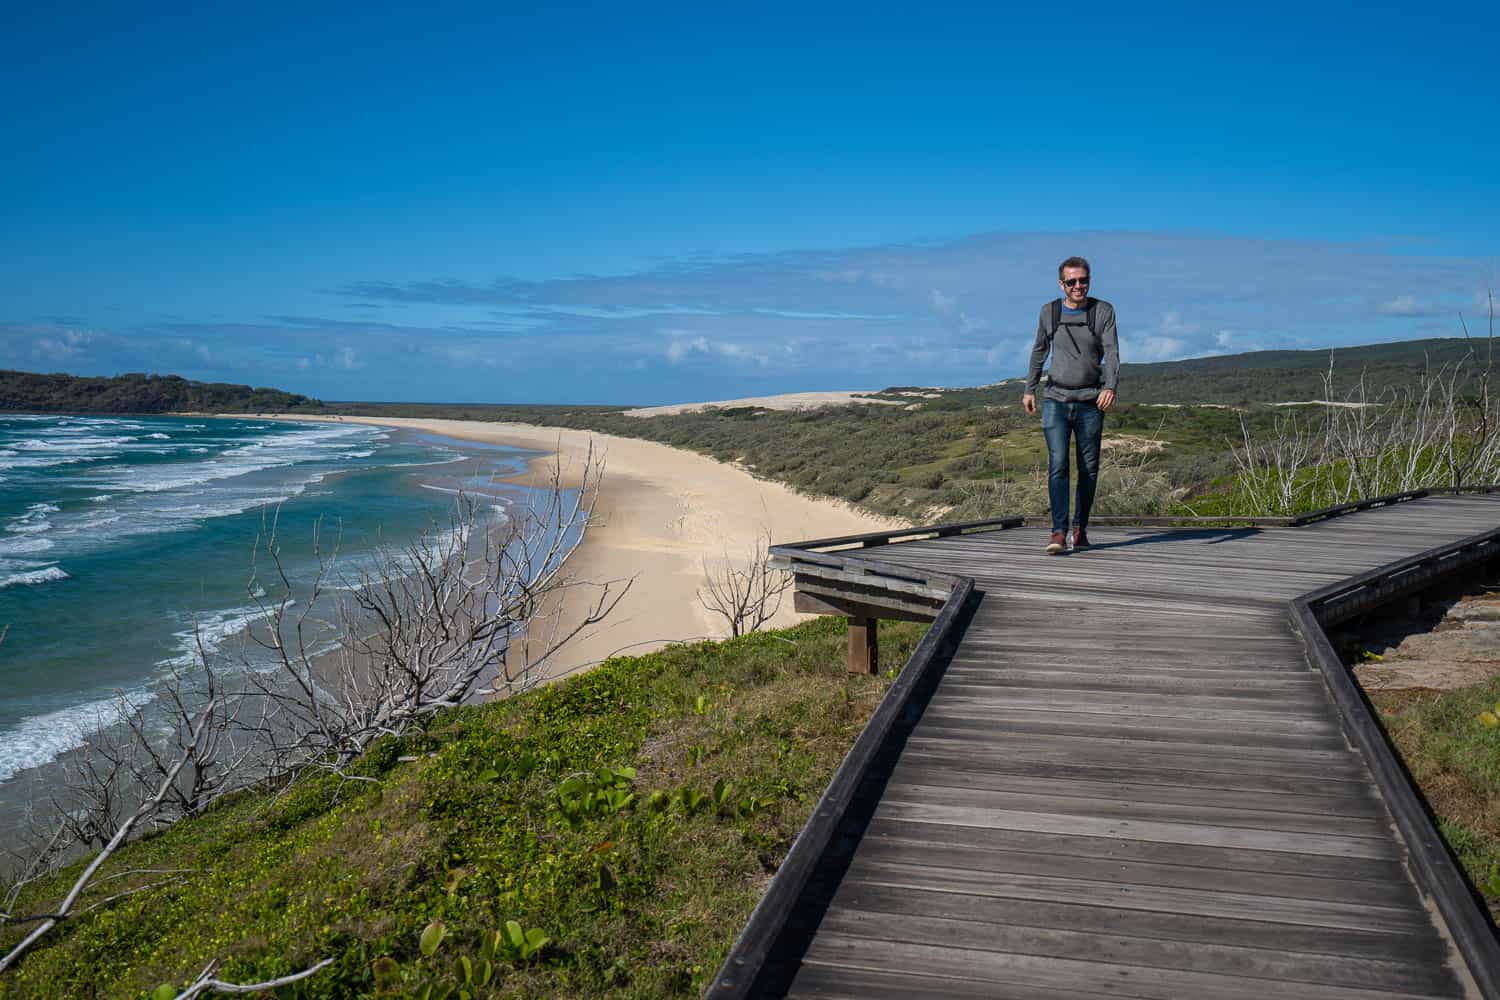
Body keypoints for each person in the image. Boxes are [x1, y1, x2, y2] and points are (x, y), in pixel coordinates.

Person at [1022, 256, 1120, 554]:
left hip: (1091, 401)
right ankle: (1058, 533)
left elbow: (1112, 352)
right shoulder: (1049, 312)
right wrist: (1029, 389)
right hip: (1056, 399)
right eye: (1072, 281)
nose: (1079, 286)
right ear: (1061, 284)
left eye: (1084, 280)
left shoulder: (1103, 311)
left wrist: (1110, 386)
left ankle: (1080, 529)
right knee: (1058, 465)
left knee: (1089, 469)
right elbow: (1039, 350)